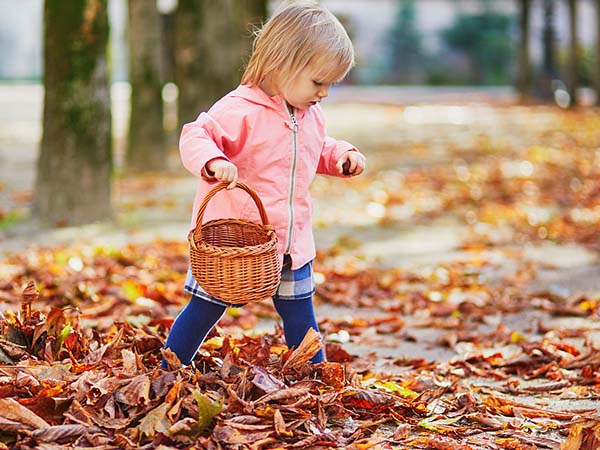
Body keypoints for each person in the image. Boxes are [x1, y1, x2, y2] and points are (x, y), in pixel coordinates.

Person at [163, 0, 366, 368]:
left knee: (300, 317)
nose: (323, 94)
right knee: (204, 310)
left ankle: (316, 375)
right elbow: (196, 135)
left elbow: (313, 150)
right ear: (281, 63)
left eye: (330, 85)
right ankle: (172, 366)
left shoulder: (309, 114)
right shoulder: (239, 109)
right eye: (318, 82)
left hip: (290, 240)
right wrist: (214, 161)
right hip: (237, 242)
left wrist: (340, 156)